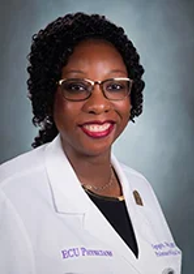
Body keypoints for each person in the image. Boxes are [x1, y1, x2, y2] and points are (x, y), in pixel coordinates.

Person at [0, 12, 182, 274]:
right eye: (76, 87)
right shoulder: (8, 195)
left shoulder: (141, 188)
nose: (98, 105)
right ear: (49, 96)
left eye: (115, 86)